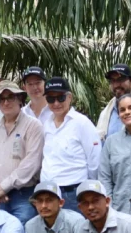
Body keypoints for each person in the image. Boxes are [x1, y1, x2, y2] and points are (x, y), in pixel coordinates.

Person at [0, 81, 44, 225]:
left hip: (23, 195)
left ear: (20, 99)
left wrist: (2, 188)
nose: (6, 102)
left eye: (10, 97)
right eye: (2, 99)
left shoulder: (33, 126)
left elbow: (31, 163)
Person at [40, 77, 102, 212]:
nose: (56, 103)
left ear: (69, 98)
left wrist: (89, 188)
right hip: (49, 192)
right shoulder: (46, 124)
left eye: (60, 98)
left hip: (73, 192)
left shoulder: (82, 123)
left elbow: (94, 160)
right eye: (51, 99)